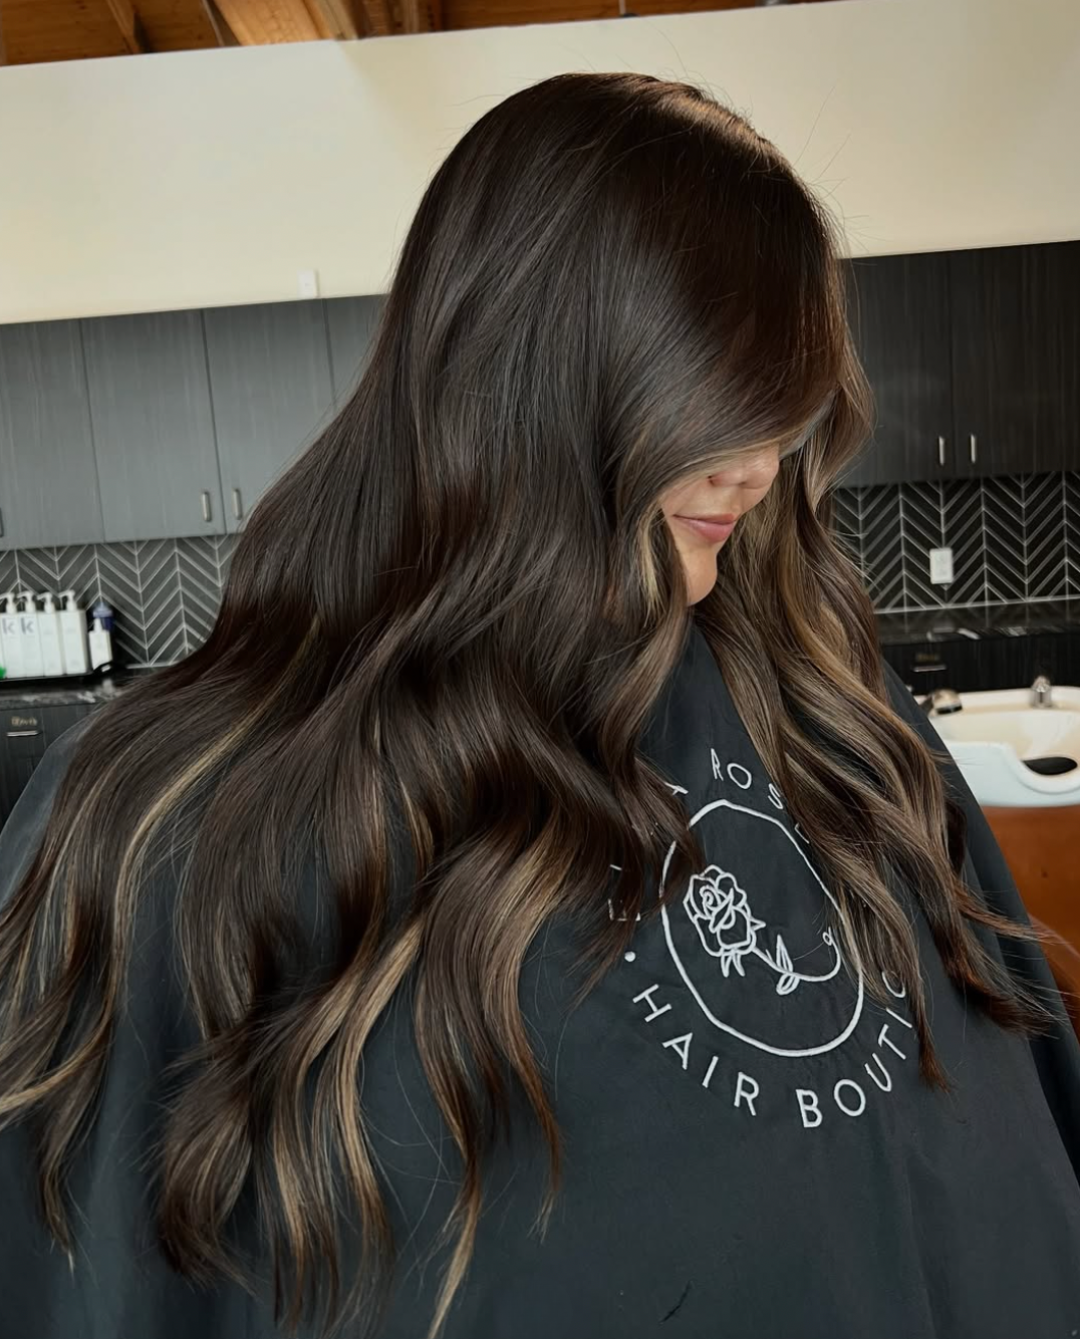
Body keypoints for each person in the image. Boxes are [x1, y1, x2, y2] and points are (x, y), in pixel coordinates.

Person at [0, 73, 1078, 1339]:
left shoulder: (829, 710)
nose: (760, 464)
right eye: (716, 396)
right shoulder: (164, 826)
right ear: (531, 375)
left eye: (779, 401)